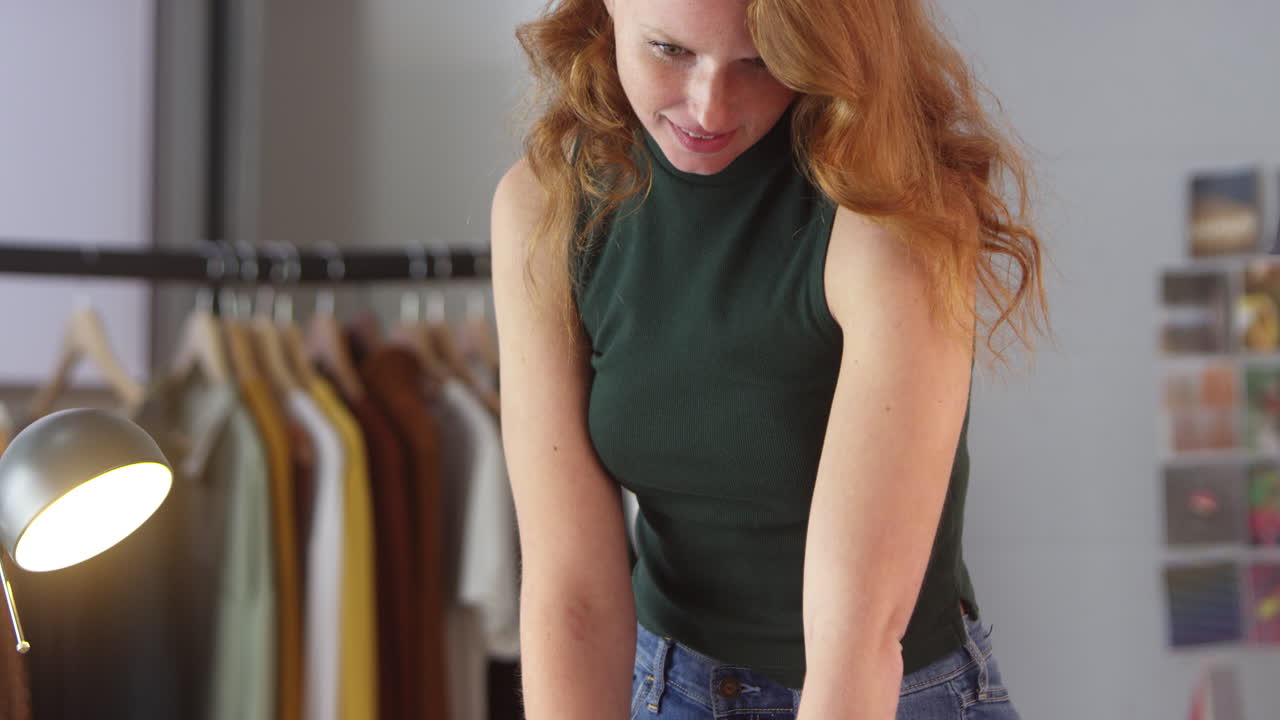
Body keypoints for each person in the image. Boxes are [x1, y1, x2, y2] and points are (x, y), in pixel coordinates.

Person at [489, 0, 1048, 718]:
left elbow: (857, 642)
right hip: (669, 684)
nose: (709, 106)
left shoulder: (888, 215)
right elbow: (573, 596)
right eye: (670, 51)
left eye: (759, 62)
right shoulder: (549, 208)